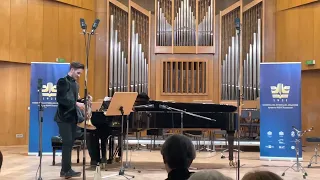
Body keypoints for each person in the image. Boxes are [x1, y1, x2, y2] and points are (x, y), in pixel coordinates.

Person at [54, 62, 85, 178]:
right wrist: (76, 103)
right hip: (63, 117)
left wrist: (84, 100)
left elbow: (76, 100)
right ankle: (65, 170)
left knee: (70, 143)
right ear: (72, 70)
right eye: (78, 73)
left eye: (80, 74)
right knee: (67, 143)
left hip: (72, 117)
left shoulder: (76, 84)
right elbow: (61, 99)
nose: (79, 76)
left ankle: (66, 169)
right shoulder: (63, 81)